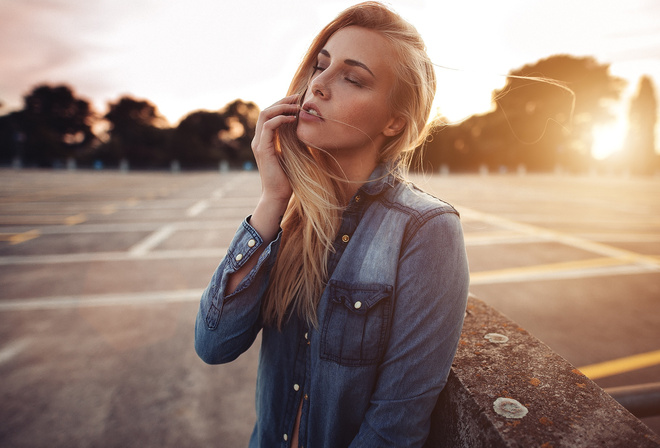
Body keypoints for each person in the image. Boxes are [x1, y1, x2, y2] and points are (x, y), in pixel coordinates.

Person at [194, 2, 470, 446]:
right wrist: (273, 199)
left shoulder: (426, 230)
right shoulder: (292, 215)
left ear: (395, 121)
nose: (318, 85)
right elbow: (213, 345)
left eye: (352, 78)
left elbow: (394, 427)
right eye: (321, 66)